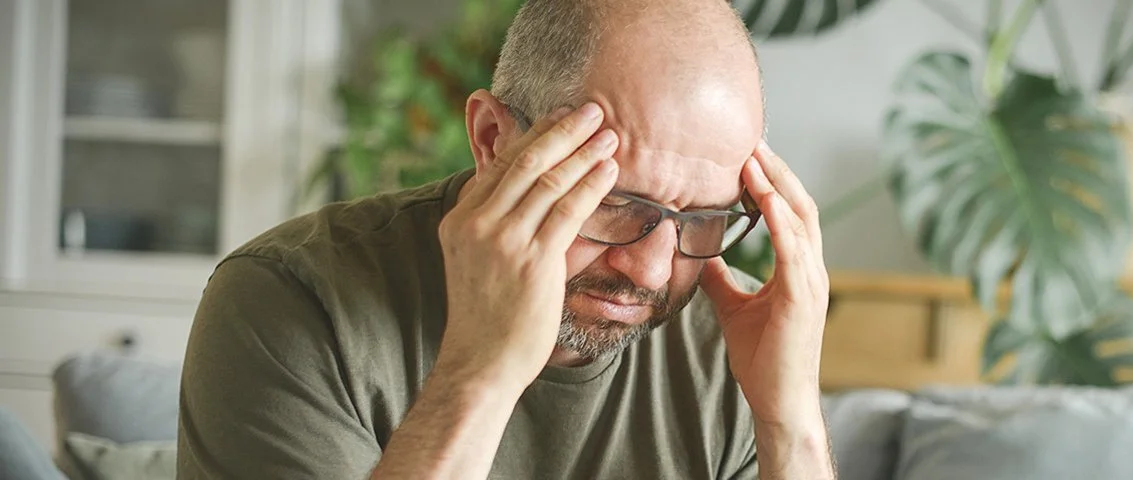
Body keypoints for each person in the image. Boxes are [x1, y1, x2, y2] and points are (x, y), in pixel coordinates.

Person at [175, 0, 835, 478]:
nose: (654, 270)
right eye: (613, 202)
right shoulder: (289, 301)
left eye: (703, 218)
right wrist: (478, 375)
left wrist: (792, 423)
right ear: (494, 140)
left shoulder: (739, 343)